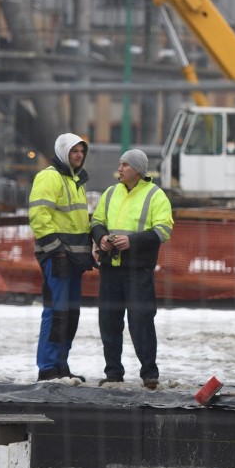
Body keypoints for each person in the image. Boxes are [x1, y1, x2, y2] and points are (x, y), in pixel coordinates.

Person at [90, 149, 173, 389]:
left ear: (137, 170)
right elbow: (96, 222)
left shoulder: (156, 196)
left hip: (138, 270)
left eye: (125, 164)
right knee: (109, 322)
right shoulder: (110, 193)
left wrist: (132, 241)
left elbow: (163, 229)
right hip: (111, 268)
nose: (120, 168)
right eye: (120, 164)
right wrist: (102, 238)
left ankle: (149, 374)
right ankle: (113, 372)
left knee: (141, 321)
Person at [28, 133, 94, 382]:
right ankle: (47, 367)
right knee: (56, 312)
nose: (78, 155)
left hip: (73, 258)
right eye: (73, 151)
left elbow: (76, 221)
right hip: (57, 256)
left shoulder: (75, 180)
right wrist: (55, 249)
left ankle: (60, 365)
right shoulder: (49, 177)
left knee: (70, 314)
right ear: (63, 152)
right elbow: (39, 216)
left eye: (81, 151)